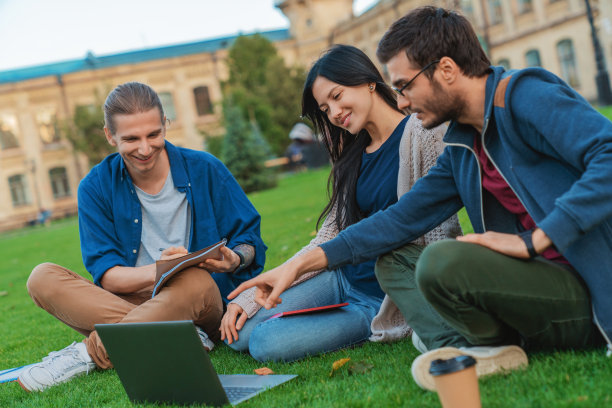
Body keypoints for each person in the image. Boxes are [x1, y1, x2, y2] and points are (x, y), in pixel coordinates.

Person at [229, 6, 612, 392]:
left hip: (589, 292)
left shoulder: (523, 95)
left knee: (441, 259)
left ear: (445, 70)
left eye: (405, 86)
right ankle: (473, 351)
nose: (404, 101)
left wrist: (538, 238)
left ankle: (476, 343)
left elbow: (608, 155)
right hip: (534, 285)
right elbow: (399, 219)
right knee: (394, 260)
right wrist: (297, 266)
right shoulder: (463, 143)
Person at [18, 82, 266, 392]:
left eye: (153, 135)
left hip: (201, 301)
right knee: (42, 278)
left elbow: (250, 241)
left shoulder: (206, 169)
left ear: (166, 125)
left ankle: (89, 353)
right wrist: (161, 269)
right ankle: (180, 336)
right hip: (134, 298)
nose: (145, 149)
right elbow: (108, 277)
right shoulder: (95, 186)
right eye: (131, 139)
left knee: (193, 280)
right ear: (110, 136)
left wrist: (235, 258)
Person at [220, 44, 460, 362]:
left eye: (336, 96)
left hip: (379, 298)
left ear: (369, 81)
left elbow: (437, 227)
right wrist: (250, 297)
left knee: (266, 343)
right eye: (324, 108)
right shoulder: (352, 154)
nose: (333, 113)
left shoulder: (421, 134)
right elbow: (329, 235)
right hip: (340, 276)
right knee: (242, 333)